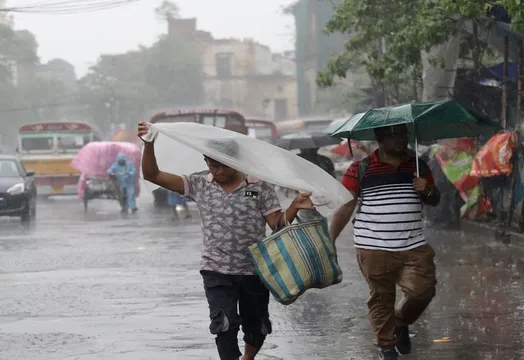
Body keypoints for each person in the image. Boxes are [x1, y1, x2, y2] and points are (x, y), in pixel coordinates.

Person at [137, 121, 314, 360]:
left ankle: (248, 357)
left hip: (255, 269)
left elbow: (277, 225)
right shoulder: (200, 185)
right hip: (216, 270)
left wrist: (293, 207)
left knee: (257, 326)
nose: (218, 171)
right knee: (224, 325)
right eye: (212, 165)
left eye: (223, 165)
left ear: (236, 162)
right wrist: (149, 145)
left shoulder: (256, 188)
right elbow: (152, 175)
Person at [328, 124, 441, 360]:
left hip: (414, 246)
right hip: (373, 247)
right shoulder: (360, 169)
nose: (402, 140)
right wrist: (330, 239)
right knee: (381, 298)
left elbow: (434, 200)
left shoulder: (418, 165)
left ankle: (400, 323)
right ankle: (387, 348)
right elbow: (347, 205)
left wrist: (427, 188)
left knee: (423, 291)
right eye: (395, 136)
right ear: (380, 139)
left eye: (404, 135)